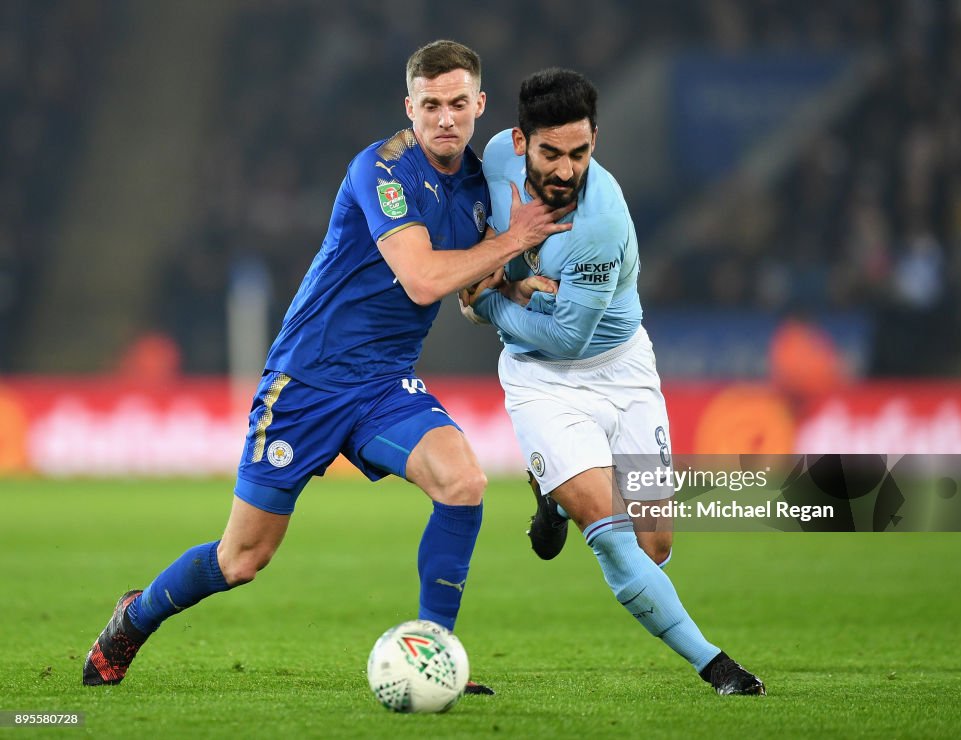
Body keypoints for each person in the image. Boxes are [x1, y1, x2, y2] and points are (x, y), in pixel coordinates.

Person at [83, 40, 572, 692]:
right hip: (306, 382)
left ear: (479, 105)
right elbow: (424, 278)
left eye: (459, 103)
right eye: (431, 105)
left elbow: (464, 287)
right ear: (411, 107)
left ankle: (436, 654)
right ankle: (132, 620)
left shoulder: (481, 188)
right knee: (242, 558)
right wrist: (514, 241)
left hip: (383, 384)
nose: (446, 117)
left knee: (464, 482)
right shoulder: (383, 169)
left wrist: (511, 285)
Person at [460, 68, 765, 695]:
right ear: (520, 143)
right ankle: (716, 665)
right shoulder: (492, 157)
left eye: (580, 152)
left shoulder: (600, 223)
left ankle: (553, 492)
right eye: (552, 153)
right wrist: (499, 267)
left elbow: (570, 338)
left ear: (595, 140)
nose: (567, 170)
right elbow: (479, 233)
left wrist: (488, 301)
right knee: (616, 541)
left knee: (654, 546)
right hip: (540, 382)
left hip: (621, 374)